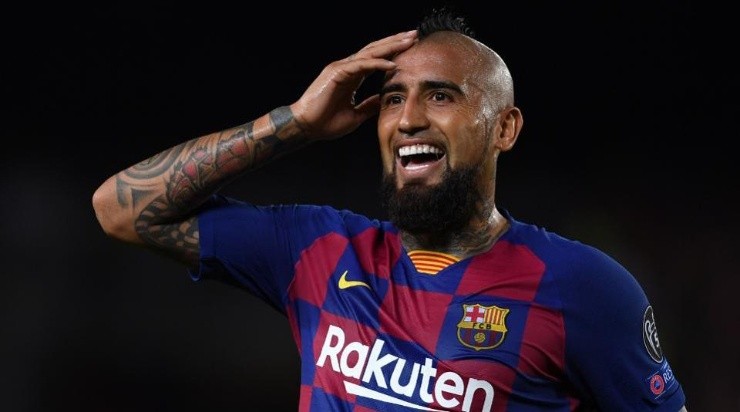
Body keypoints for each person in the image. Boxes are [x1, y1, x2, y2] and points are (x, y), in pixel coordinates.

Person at [92, 8, 688, 412]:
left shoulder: (584, 288)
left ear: (504, 128)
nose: (408, 119)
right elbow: (121, 210)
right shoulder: (316, 250)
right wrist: (296, 123)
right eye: (393, 98)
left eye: (440, 95)